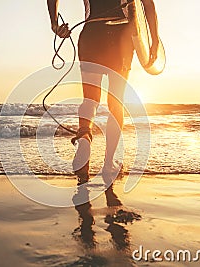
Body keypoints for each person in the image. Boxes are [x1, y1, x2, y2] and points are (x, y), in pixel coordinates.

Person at [47, 0, 159, 185]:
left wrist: (54, 24)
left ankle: (84, 137)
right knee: (116, 103)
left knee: (90, 100)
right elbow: (148, 5)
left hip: (92, 35)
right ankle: (109, 164)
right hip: (121, 37)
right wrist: (153, 40)